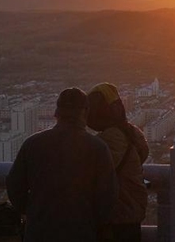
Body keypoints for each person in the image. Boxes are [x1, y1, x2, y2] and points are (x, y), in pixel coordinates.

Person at [7, 87, 118, 242]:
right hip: (82, 233)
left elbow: (14, 186)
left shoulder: (32, 144)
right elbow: (108, 198)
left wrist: (34, 210)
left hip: (39, 232)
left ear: (57, 113)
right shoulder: (97, 148)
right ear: (85, 112)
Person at [87, 83, 149, 242]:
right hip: (132, 212)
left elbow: (91, 173)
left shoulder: (109, 140)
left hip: (117, 215)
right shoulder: (132, 132)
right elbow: (143, 155)